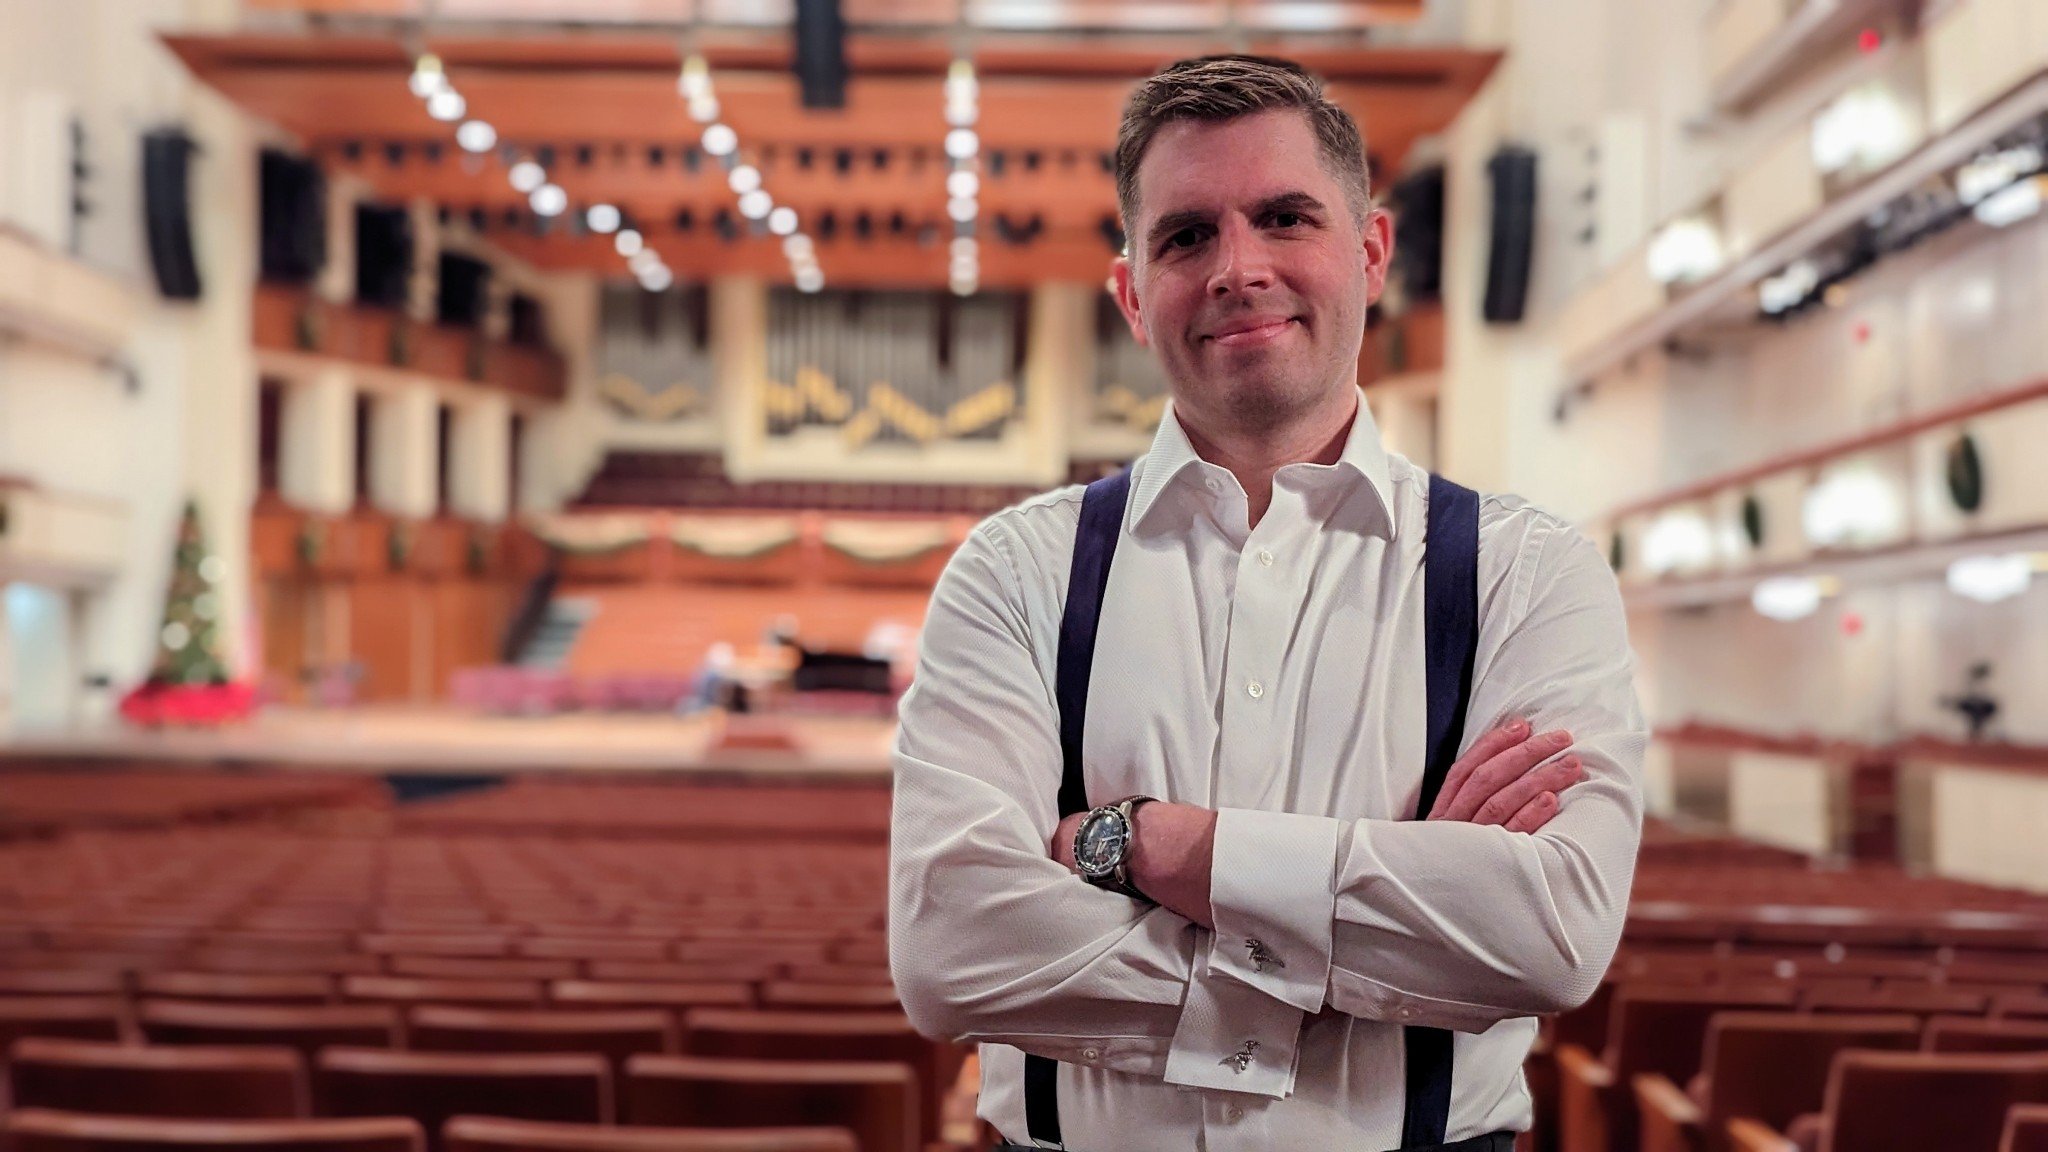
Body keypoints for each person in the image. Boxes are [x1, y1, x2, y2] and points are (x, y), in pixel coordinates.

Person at [889, 55, 1645, 1151]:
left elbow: (1548, 936)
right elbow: (952, 952)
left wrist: (1152, 846)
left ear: (1371, 251)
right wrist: (1390, 933)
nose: (1237, 268)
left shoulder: (1527, 572)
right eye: (1185, 235)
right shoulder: (1014, 570)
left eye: (1285, 217)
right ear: (1129, 296)